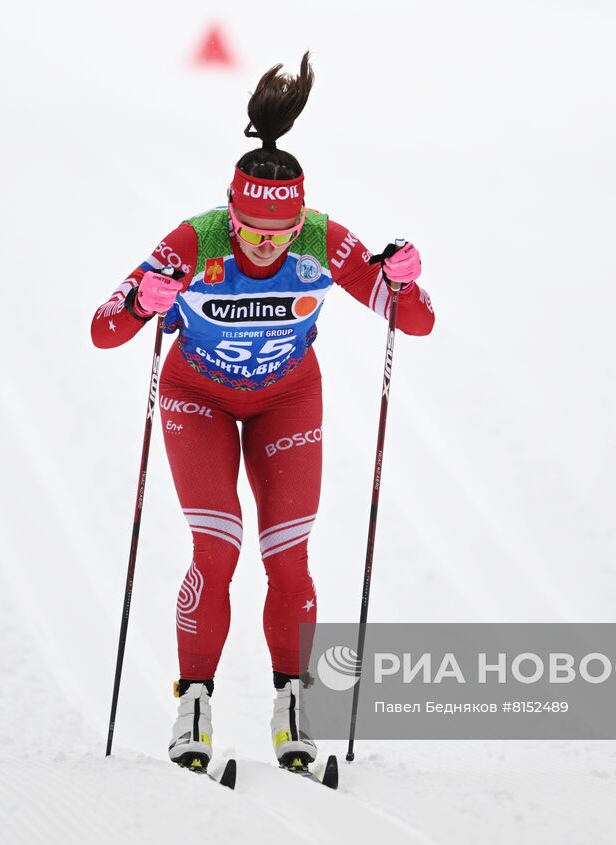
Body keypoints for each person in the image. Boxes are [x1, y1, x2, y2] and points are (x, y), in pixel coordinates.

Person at [90, 52, 435, 772]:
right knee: (217, 547)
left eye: (280, 232)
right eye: (252, 229)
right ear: (231, 211)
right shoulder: (195, 240)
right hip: (198, 395)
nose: (266, 243)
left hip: (286, 397)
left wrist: (404, 281)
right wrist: (138, 301)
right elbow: (103, 327)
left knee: (289, 556)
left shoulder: (319, 238)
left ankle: (292, 700)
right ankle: (194, 700)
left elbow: (413, 318)